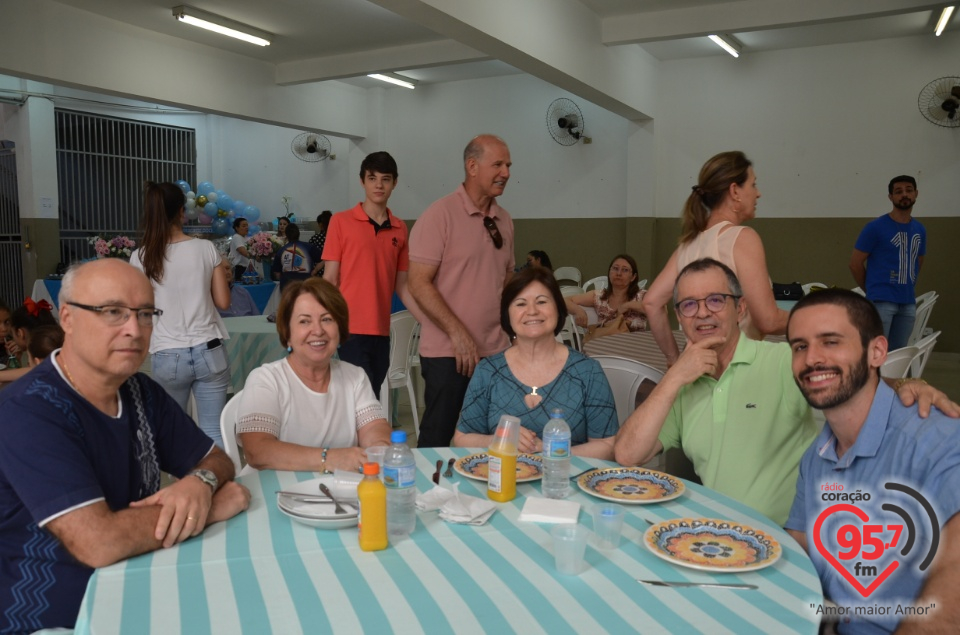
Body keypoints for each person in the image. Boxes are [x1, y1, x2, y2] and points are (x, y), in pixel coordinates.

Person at [0, 259, 249, 633]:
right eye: (113, 312)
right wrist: (207, 510)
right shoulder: (29, 411)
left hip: (141, 581)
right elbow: (98, 542)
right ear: (67, 318)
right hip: (56, 617)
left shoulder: (140, 392)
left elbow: (215, 459)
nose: (135, 329)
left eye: (145, 313)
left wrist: (201, 484)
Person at [613, 258, 959, 525]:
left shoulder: (783, 361)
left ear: (741, 308)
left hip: (791, 542)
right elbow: (628, 454)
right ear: (679, 317)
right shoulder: (684, 384)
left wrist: (910, 384)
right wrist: (674, 378)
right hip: (719, 541)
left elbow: (856, 387)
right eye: (689, 304)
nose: (702, 312)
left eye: (716, 300)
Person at [785, 289, 959, 633]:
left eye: (831, 342)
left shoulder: (937, 442)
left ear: (877, 351)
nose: (811, 359)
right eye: (800, 346)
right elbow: (797, 548)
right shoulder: (815, 457)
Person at [408, 134, 516, 447]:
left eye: (508, 165)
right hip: (448, 353)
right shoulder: (439, 215)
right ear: (472, 166)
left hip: (496, 352)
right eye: (497, 164)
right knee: (438, 440)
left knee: (496, 440)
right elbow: (417, 282)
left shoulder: (505, 220)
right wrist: (458, 333)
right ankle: (428, 494)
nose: (506, 173)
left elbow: (506, 279)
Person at [453, 267, 618, 459]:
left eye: (541, 302)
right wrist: (498, 439)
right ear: (508, 315)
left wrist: (553, 451)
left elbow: (607, 446)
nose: (531, 311)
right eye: (520, 304)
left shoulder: (588, 372)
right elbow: (462, 438)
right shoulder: (488, 371)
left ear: (558, 309)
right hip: (502, 482)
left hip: (565, 482)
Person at [642, 151, 787, 365]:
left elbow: (651, 303)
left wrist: (674, 359)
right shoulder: (742, 238)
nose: (758, 194)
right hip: (736, 367)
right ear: (735, 191)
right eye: (753, 185)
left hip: (698, 368)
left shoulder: (687, 245)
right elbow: (768, 320)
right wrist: (815, 318)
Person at [236, 278, 392, 472]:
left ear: (339, 327)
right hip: (276, 492)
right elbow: (257, 451)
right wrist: (330, 459)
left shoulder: (355, 376)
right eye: (304, 321)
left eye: (327, 319)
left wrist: (380, 447)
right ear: (287, 332)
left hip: (337, 491)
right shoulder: (266, 379)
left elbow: (373, 428)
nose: (318, 331)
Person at [129, 181, 232, 447]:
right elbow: (223, 301)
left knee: (174, 432)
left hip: (167, 353)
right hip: (209, 349)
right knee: (213, 430)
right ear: (181, 213)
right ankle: (216, 487)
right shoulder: (205, 249)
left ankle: (185, 488)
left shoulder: (139, 257)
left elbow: (139, 310)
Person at [322, 151, 423, 399]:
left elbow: (402, 285)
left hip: (381, 329)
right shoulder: (341, 222)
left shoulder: (400, 228)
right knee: (362, 397)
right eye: (372, 178)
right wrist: (321, 320)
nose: (379, 185)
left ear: (394, 183)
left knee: (372, 396)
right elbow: (330, 279)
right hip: (350, 328)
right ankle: (360, 439)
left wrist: (426, 320)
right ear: (362, 181)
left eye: (385, 179)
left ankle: (365, 439)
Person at [849, 175, 926, 350]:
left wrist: (908, 284)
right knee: (875, 352)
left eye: (909, 190)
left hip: (907, 302)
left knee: (897, 354)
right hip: (881, 301)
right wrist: (872, 289)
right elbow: (855, 263)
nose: (904, 195)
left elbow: (918, 259)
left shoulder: (920, 229)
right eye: (898, 192)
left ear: (916, 194)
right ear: (890, 197)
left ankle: (890, 379)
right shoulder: (875, 228)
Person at [566, 254, 648, 334]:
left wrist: (628, 305)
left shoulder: (641, 295)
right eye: (615, 268)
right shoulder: (599, 296)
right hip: (605, 344)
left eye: (625, 270)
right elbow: (565, 300)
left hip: (634, 345)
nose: (619, 273)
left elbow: (656, 308)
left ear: (633, 277)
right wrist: (578, 311)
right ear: (609, 272)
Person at [272, 223, 323, 291]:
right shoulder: (309, 247)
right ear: (298, 234)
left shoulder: (281, 250)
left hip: (286, 287)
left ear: (286, 235)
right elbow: (324, 259)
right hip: (306, 284)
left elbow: (277, 273)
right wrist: (315, 271)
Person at [310, 210, 333, 277]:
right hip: (332, 268)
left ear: (320, 224)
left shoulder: (315, 238)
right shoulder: (337, 237)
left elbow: (310, 254)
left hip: (318, 271)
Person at [228, 217, 252, 281]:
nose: (246, 228)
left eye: (247, 226)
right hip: (239, 268)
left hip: (245, 268)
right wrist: (254, 257)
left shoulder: (244, 238)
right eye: (243, 226)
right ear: (237, 228)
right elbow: (242, 251)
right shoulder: (237, 237)